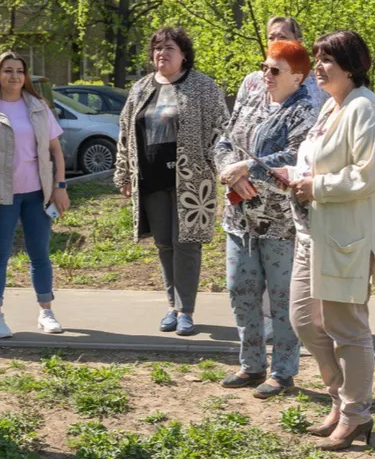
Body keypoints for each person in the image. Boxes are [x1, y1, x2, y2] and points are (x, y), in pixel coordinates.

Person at [285, 30, 375, 451]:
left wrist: (318, 187)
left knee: (346, 329)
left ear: (350, 66)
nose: (318, 66)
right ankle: (338, 399)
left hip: (346, 238)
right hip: (313, 232)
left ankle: (356, 415)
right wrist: (296, 177)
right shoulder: (333, 107)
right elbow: (318, 159)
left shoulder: (365, 109)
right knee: (305, 321)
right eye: (317, 58)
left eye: (327, 60)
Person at [214, 41, 317, 398]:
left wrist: (250, 168)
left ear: (298, 76)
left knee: (283, 298)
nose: (265, 75)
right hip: (239, 218)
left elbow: (297, 155)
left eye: (275, 70)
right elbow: (224, 140)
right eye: (264, 67)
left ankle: (283, 371)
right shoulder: (253, 98)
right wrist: (230, 171)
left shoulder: (304, 110)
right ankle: (252, 364)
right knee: (240, 289)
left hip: (281, 224)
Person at [114, 27, 229, 336]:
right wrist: (123, 173)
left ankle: (186, 310)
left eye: (169, 48)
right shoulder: (140, 88)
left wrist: (219, 166)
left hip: (192, 180)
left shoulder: (203, 87)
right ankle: (171, 306)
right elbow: (125, 133)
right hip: (151, 177)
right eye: (157, 48)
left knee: (187, 243)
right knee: (165, 243)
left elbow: (222, 129)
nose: (161, 53)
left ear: (184, 54)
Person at [0, 51, 70, 339]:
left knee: (40, 255)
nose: (14, 76)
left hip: (38, 195)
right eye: (8, 70)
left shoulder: (38, 106)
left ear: (26, 75)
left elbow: (56, 150)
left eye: (19, 71)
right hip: (0, 196)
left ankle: (46, 311)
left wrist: (59, 187)